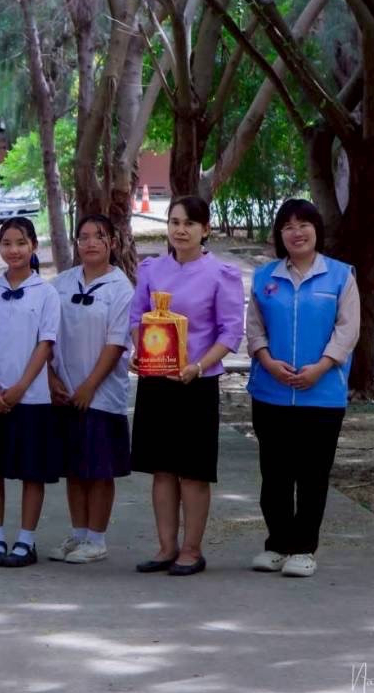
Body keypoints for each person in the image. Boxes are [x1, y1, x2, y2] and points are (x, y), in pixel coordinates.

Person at [130, 195, 244, 576]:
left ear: (205, 230)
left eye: (189, 223)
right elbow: (137, 318)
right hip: (157, 382)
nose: (180, 229)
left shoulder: (221, 274)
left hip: (197, 383)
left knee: (192, 472)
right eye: (174, 221)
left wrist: (198, 366)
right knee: (162, 470)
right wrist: (139, 352)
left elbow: (230, 332)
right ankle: (165, 547)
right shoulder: (151, 269)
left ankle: (192, 550)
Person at [246, 199, 358, 578]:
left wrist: (322, 367)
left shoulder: (341, 276)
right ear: (279, 234)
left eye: (304, 223)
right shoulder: (265, 278)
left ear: (316, 229)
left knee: (313, 475)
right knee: (275, 474)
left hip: (322, 394)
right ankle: (277, 544)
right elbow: (254, 327)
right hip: (270, 392)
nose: (297, 231)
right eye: (288, 225)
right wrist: (267, 361)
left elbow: (348, 329)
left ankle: (303, 549)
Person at [0, 217, 62, 568]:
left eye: (21, 242)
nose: (14, 250)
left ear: (33, 246)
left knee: (31, 470)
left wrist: (22, 386)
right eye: (6, 243)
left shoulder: (46, 293)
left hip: (32, 398)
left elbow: (45, 343)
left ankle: (26, 540)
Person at [47, 215, 134, 564]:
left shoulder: (121, 288)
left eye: (98, 237)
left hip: (102, 394)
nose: (90, 243)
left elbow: (116, 344)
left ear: (112, 242)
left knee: (99, 469)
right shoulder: (60, 284)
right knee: (74, 468)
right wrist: (52, 380)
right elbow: (46, 337)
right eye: (83, 237)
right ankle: (78, 533)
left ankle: (96, 539)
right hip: (65, 392)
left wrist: (89, 386)